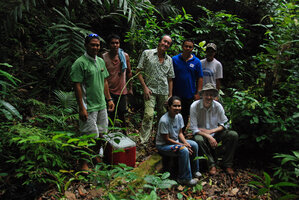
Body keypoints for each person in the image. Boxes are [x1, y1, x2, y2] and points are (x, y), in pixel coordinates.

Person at [70, 33, 115, 171]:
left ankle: (95, 156)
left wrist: (109, 99)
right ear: (86, 45)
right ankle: (83, 164)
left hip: (101, 104)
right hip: (88, 106)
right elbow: (77, 86)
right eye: (93, 45)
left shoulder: (100, 61)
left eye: (98, 45)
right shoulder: (80, 63)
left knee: (102, 133)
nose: (96, 47)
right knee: (88, 136)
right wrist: (81, 107)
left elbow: (105, 81)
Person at [190, 83, 238, 175]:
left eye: (211, 95)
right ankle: (211, 164)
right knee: (198, 139)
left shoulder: (217, 106)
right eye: (206, 94)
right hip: (201, 134)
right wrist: (208, 136)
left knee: (233, 135)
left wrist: (212, 131)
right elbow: (194, 129)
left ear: (214, 96)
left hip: (215, 132)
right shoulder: (194, 106)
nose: (209, 97)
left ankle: (227, 164)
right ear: (202, 95)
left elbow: (224, 124)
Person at [137, 35, 175, 144]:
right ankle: (143, 141)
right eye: (164, 41)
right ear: (159, 42)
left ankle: (158, 140)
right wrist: (144, 87)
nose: (166, 44)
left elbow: (170, 79)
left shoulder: (169, 60)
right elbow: (139, 71)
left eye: (168, 43)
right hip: (150, 91)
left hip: (164, 92)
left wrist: (170, 95)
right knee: (148, 115)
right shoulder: (147, 53)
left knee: (162, 117)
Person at [156, 96, 201, 185]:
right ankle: (184, 178)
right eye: (175, 106)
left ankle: (195, 170)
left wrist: (185, 142)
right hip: (164, 145)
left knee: (194, 144)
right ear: (169, 107)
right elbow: (167, 139)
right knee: (183, 150)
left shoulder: (179, 116)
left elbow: (180, 133)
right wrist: (183, 145)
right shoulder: (164, 120)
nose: (177, 108)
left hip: (175, 141)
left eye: (179, 106)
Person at [102, 34, 133, 133]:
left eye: (117, 43)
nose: (115, 45)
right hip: (109, 91)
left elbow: (129, 72)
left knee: (122, 114)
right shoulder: (104, 57)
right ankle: (109, 135)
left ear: (119, 44)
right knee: (110, 114)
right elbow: (102, 76)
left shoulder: (124, 56)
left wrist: (130, 88)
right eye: (112, 43)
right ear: (109, 44)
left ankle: (124, 133)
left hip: (122, 90)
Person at [172, 39, 203, 134]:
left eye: (190, 47)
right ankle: (172, 134)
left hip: (189, 94)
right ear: (182, 47)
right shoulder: (174, 59)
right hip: (175, 93)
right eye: (186, 46)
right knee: (174, 114)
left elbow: (200, 78)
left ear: (193, 48)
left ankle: (181, 133)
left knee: (185, 115)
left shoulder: (197, 62)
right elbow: (170, 77)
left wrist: (198, 93)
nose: (188, 48)